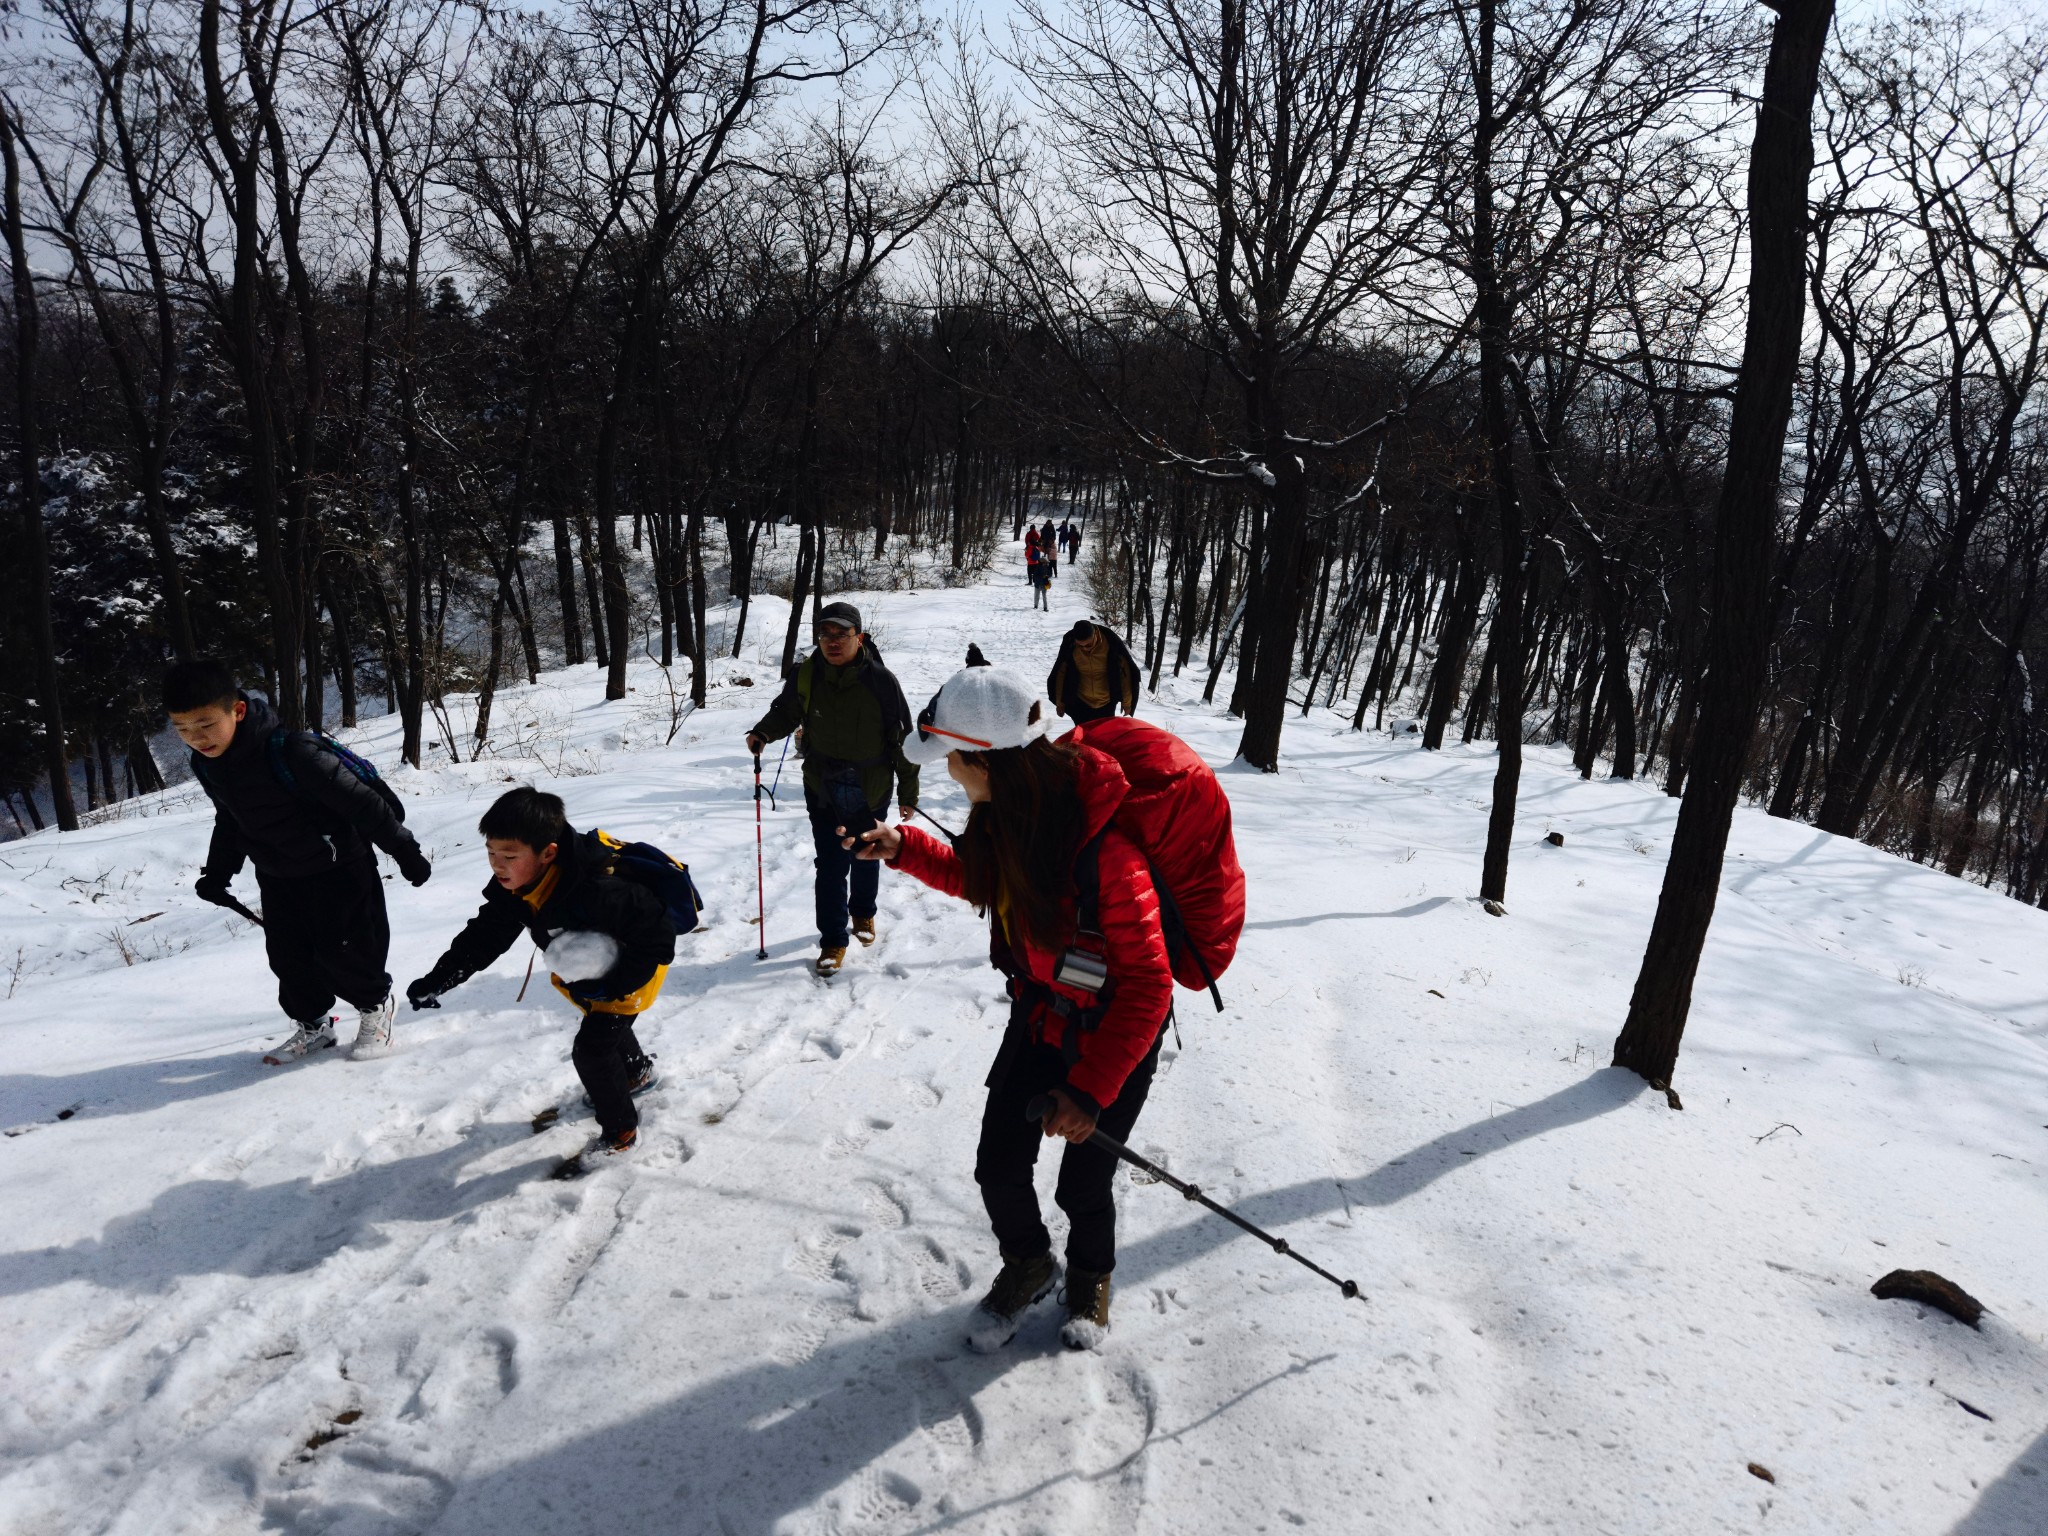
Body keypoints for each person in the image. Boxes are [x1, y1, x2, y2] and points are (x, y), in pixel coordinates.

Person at [846, 666, 1172, 1352]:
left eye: (954, 762)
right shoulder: (1006, 818)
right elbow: (984, 880)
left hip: (1113, 1033)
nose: (951, 776)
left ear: (985, 762)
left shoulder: (1106, 853)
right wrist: (906, 848)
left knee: (1084, 1184)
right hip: (1042, 1013)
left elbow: (1148, 985)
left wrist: (1088, 1092)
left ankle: (1090, 1277)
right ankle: (1030, 1264)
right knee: (999, 1165)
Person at [165, 659, 431, 1064]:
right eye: (183, 729)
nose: (196, 738)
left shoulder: (294, 752)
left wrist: (405, 852)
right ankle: (315, 1027)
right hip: (277, 875)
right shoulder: (207, 764)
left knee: (345, 953)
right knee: (290, 962)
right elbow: (231, 818)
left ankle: (376, 1007)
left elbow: (365, 804)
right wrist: (218, 872)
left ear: (236, 710)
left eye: (205, 724)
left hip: (339, 870)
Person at [406, 787, 676, 1168]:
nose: (497, 865)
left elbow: (658, 939)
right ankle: (635, 1073)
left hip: (632, 972)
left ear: (548, 852)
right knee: (601, 1024)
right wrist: (442, 977)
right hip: (591, 973)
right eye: (491, 853)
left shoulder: (600, 889)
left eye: (509, 856)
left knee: (593, 1050)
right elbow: (487, 935)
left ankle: (622, 1131)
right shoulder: (519, 885)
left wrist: (613, 985)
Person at [745, 601, 918, 975]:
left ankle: (864, 913)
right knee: (830, 864)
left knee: (866, 852)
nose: (833, 641)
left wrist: (909, 791)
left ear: (860, 638)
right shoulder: (808, 675)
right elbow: (787, 710)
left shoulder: (881, 681)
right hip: (823, 784)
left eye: (842, 634)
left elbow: (901, 738)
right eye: (826, 634)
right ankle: (834, 940)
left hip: (869, 785)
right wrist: (763, 732)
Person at [1046, 620, 1140, 724]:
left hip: (1106, 702)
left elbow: (1125, 674)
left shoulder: (1110, 642)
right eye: (1081, 646)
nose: (1085, 649)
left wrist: (1127, 703)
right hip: (1081, 701)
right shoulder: (1070, 644)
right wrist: (1060, 702)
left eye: (1089, 644)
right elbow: (1061, 673)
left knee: (1103, 736)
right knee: (1082, 737)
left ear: (1095, 634)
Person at [1028, 542, 1053, 611]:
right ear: (1043, 562)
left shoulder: (1047, 567)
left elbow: (1050, 574)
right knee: (1038, 596)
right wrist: (1043, 576)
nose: (1047, 563)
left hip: (1043, 583)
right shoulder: (1038, 567)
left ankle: (1044, 607)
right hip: (1039, 583)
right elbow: (1035, 575)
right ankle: (1037, 606)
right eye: (1046, 562)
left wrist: (1047, 576)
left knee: (1042, 596)